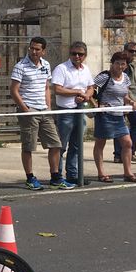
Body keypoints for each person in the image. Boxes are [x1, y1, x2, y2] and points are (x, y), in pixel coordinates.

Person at [10, 37, 75, 191]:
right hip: (29, 110)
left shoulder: (46, 65)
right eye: (31, 48)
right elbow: (14, 90)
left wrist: (48, 107)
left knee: (56, 144)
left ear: (43, 51)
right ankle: (30, 178)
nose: (34, 51)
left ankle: (55, 177)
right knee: (29, 146)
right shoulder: (20, 66)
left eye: (37, 49)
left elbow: (46, 87)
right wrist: (24, 108)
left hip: (44, 110)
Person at [92, 52, 136, 183]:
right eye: (117, 63)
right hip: (105, 115)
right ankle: (101, 173)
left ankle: (128, 173)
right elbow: (90, 90)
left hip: (119, 116)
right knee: (100, 143)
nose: (120, 66)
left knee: (127, 143)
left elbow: (124, 95)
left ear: (126, 65)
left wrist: (131, 102)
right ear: (112, 63)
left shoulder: (125, 78)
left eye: (123, 64)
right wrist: (96, 105)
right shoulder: (104, 76)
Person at [51, 41, 94, 184]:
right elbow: (57, 89)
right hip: (66, 111)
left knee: (76, 145)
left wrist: (86, 95)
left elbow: (91, 87)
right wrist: (76, 92)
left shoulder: (86, 69)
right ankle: (57, 175)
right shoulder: (61, 68)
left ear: (85, 55)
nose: (77, 56)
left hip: (80, 110)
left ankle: (73, 174)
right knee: (61, 145)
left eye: (80, 54)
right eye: (74, 53)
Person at [112, 41, 136, 164]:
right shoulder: (122, 66)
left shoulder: (131, 66)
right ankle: (121, 153)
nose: (134, 54)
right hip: (125, 101)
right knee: (124, 126)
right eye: (131, 51)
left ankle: (128, 152)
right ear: (125, 51)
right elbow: (122, 86)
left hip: (132, 101)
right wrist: (127, 101)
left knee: (133, 125)